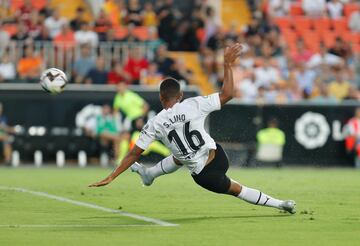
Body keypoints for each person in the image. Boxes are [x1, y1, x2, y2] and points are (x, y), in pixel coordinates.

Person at [90, 43, 296, 214]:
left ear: (161, 98)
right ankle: (150, 175)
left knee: (230, 185)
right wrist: (227, 64)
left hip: (204, 176)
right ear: (179, 96)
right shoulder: (193, 104)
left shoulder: (154, 123)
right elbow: (229, 93)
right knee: (184, 153)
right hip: (219, 155)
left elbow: (134, 152)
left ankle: (280, 204)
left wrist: (112, 175)